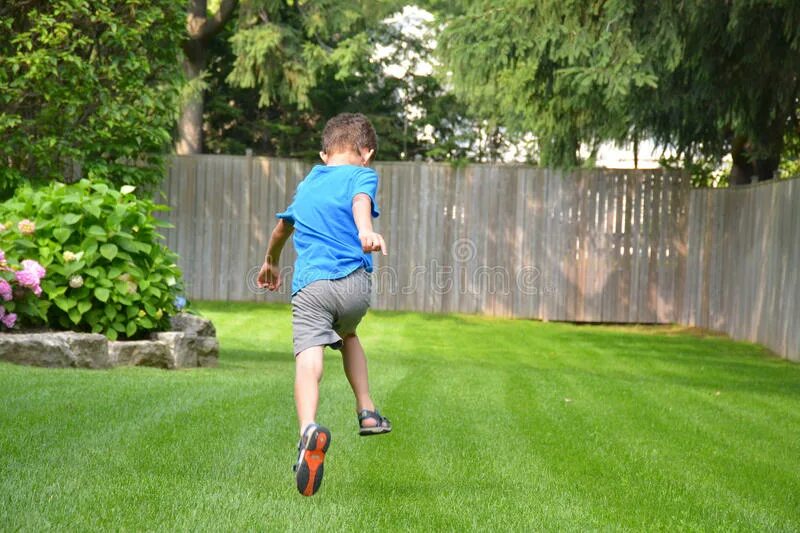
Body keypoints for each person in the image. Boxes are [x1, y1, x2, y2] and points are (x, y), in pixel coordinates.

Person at [257, 112, 392, 497]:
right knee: (348, 334)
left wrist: (270, 261)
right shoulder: (362, 174)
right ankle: (366, 411)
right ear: (366, 152)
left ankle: (308, 430)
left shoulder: (310, 182)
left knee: (309, 356)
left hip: (312, 286)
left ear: (323, 153)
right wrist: (365, 233)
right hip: (353, 287)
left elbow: (283, 227)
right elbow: (360, 202)